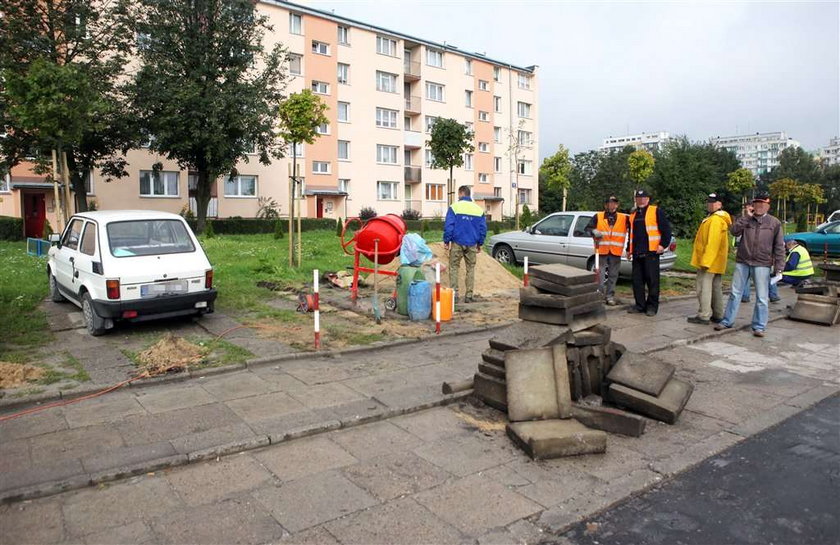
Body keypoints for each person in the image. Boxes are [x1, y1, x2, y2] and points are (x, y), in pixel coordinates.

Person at [715, 191, 784, 337]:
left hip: (762, 263)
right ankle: (727, 321)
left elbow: (779, 247)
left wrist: (779, 268)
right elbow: (733, 231)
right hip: (743, 261)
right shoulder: (747, 219)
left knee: (762, 297)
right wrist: (746, 217)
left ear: (767, 205)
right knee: (735, 293)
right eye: (756, 203)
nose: (758, 206)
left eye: (762, 203)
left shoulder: (774, 223)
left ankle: (759, 326)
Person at [687, 193, 732, 324]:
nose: (710, 204)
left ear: (720, 204)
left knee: (703, 287)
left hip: (709, 261)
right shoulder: (718, 218)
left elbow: (712, 242)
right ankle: (718, 314)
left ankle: (704, 315)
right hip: (716, 261)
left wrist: (706, 261)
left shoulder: (715, 220)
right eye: (709, 202)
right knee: (715, 287)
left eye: (713, 202)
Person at [626, 189, 672, 316]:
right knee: (637, 282)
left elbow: (666, 230)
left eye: (643, 198)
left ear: (648, 199)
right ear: (635, 199)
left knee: (652, 281)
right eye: (638, 198)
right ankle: (640, 305)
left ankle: (652, 307)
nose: (641, 200)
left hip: (651, 252)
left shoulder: (656, 211)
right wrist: (628, 250)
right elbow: (631, 235)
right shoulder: (633, 214)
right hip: (636, 253)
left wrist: (663, 245)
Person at [443, 185, 487, 304]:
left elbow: (449, 226)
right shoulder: (478, 210)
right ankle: (469, 295)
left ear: (461, 193)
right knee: (470, 269)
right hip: (472, 243)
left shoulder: (454, 207)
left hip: (457, 242)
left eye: (458, 195)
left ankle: (455, 295)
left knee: (453, 267)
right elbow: (483, 228)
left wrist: (447, 241)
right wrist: (480, 243)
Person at [585, 195, 628, 305]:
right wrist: (593, 231)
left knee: (613, 275)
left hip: (615, 251)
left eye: (614, 203)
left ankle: (610, 296)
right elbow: (587, 228)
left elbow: (635, 224)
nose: (612, 205)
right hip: (602, 250)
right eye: (609, 203)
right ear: (606, 205)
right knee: (600, 274)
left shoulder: (623, 218)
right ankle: (599, 294)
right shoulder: (598, 216)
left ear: (617, 205)